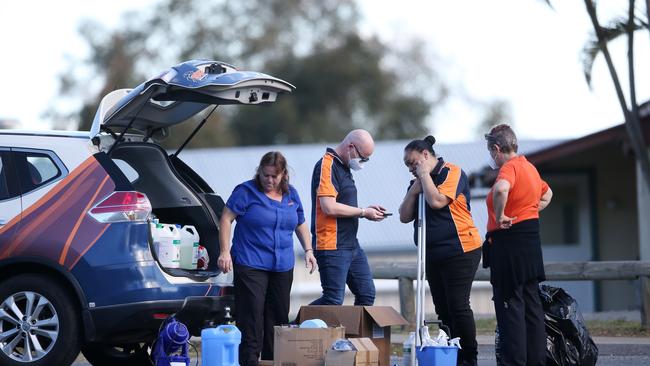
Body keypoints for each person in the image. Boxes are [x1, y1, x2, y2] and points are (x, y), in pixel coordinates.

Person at [217, 151, 317, 366]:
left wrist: (308, 250)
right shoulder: (245, 192)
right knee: (252, 317)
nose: (269, 181)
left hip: (282, 265)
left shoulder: (292, 195)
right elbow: (226, 219)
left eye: (274, 176)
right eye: (265, 175)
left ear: (283, 175)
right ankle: (250, 362)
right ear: (259, 173)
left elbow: (300, 223)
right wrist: (225, 251)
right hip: (250, 262)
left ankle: (272, 362)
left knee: (278, 319)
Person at [398, 135, 482, 366]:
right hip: (433, 254)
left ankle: (469, 357)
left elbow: (437, 201)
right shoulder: (416, 184)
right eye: (407, 165)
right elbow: (404, 216)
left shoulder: (451, 172)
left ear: (426, 155)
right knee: (442, 307)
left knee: (458, 305)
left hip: (461, 249)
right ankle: (450, 353)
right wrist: (414, 191)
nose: (411, 169)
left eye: (412, 163)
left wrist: (424, 175)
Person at [483, 124, 553, 366]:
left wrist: (501, 215)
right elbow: (548, 194)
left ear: (496, 148)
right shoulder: (529, 167)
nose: (491, 157)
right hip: (530, 240)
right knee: (531, 307)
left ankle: (515, 362)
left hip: (509, 242)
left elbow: (502, 189)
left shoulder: (510, 167)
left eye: (491, 152)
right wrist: (530, 211)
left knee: (510, 307)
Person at [310, 129, 386, 306]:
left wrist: (367, 209)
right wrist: (363, 212)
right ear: (351, 147)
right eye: (363, 157)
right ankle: (292, 329)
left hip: (351, 243)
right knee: (333, 299)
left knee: (366, 294)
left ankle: (355, 334)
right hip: (331, 243)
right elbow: (328, 206)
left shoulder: (344, 167)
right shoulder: (327, 165)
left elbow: (343, 203)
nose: (363, 162)